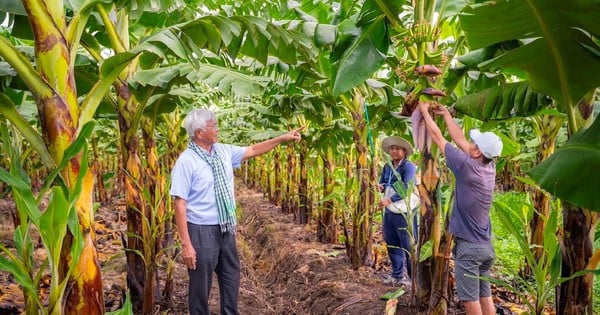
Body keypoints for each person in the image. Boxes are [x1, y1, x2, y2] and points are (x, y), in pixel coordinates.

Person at [169, 109, 302, 315]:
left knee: (231, 276)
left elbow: (253, 149)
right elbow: (180, 203)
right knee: (200, 285)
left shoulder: (223, 151)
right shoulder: (186, 162)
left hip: (226, 226)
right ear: (199, 133)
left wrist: (282, 138)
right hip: (201, 230)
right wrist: (186, 244)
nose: (217, 129)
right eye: (213, 126)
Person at [417, 101, 502, 315]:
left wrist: (425, 112)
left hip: (470, 249)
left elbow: (438, 138)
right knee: (485, 295)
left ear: (477, 153)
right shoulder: (488, 166)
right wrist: (445, 114)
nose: (471, 144)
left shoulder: (466, 166)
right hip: (485, 247)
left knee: (469, 300)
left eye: (475, 144)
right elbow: (461, 141)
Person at [378, 136, 418, 287]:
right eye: (392, 148)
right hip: (390, 211)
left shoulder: (408, 167)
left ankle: (413, 278)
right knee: (392, 241)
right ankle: (397, 275)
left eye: (397, 148)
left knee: (408, 244)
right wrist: (381, 187)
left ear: (404, 151)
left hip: (404, 211)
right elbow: (383, 182)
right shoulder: (387, 166)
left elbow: (406, 188)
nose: (394, 151)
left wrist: (389, 199)